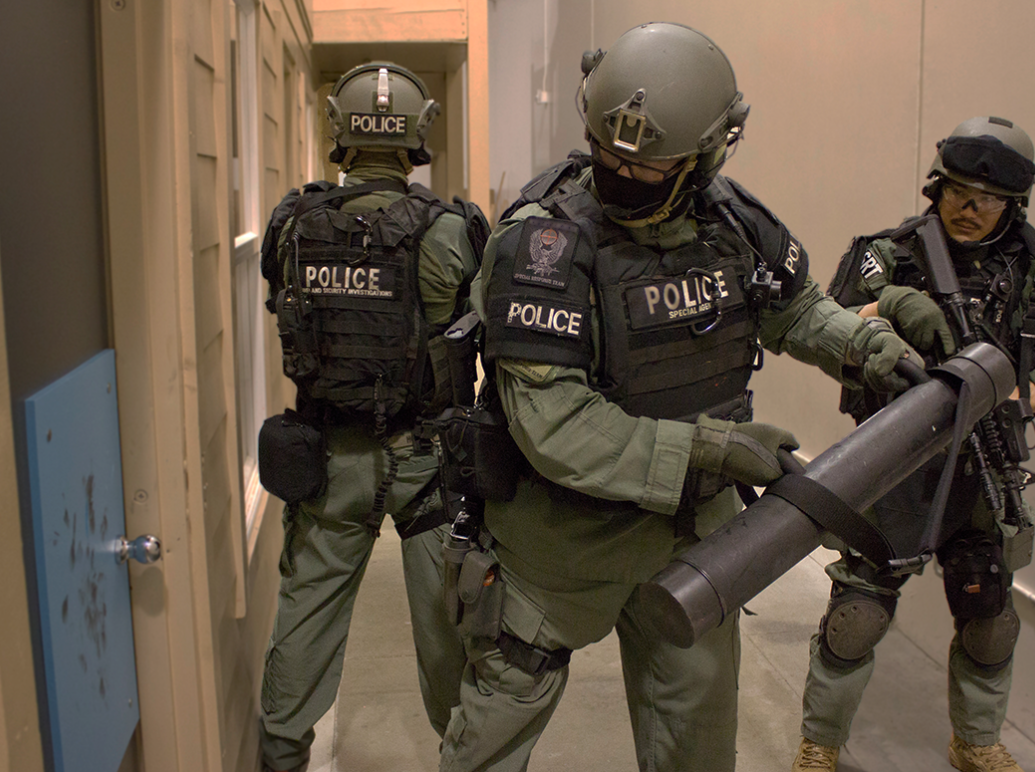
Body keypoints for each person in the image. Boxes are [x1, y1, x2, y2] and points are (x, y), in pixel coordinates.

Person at [438, 22, 919, 772]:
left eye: (651, 163)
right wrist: (714, 448)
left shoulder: (734, 222)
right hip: (557, 542)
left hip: (693, 535)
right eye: (606, 152)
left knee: (696, 744)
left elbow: (793, 309)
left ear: (707, 152)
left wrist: (864, 346)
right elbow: (554, 425)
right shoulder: (542, 247)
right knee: (490, 740)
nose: (622, 174)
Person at [792, 117, 1035, 772]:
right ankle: (819, 744)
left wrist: (1006, 401)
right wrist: (894, 304)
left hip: (985, 469)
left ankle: (976, 741)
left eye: (985, 198)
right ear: (938, 185)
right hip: (891, 466)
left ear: (1014, 205)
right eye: (956, 190)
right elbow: (828, 326)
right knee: (857, 618)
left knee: (989, 623)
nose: (968, 207)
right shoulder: (887, 254)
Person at [256, 61, 484, 772]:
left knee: (308, 611)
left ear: (340, 131)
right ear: (418, 132)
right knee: (451, 626)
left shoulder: (293, 225)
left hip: (330, 458)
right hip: (426, 463)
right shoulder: (450, 234)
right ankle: (468, 754)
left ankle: (282, 750)